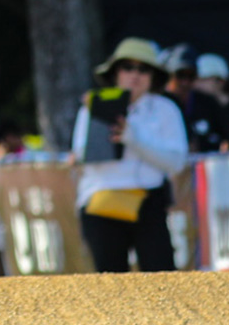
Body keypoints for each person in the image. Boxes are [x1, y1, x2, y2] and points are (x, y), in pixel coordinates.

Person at [72, 38, 189, 273]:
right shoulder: (94, 106)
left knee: (161, 280)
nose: (135, 75)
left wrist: (134, 140)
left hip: (148, 201)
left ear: (153, 76)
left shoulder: (166, 110)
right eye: (128, 67)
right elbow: (81, 156)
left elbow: (176, 163)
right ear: (115, 72)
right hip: (101, 202)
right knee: (112, 285)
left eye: (143, 69)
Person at [164, 44, 229, 154]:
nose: (185, 82)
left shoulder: (207, 102)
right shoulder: (159, 103)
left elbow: (228, 138)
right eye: (180, 75)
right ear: (169, 75)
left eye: (190, 76)